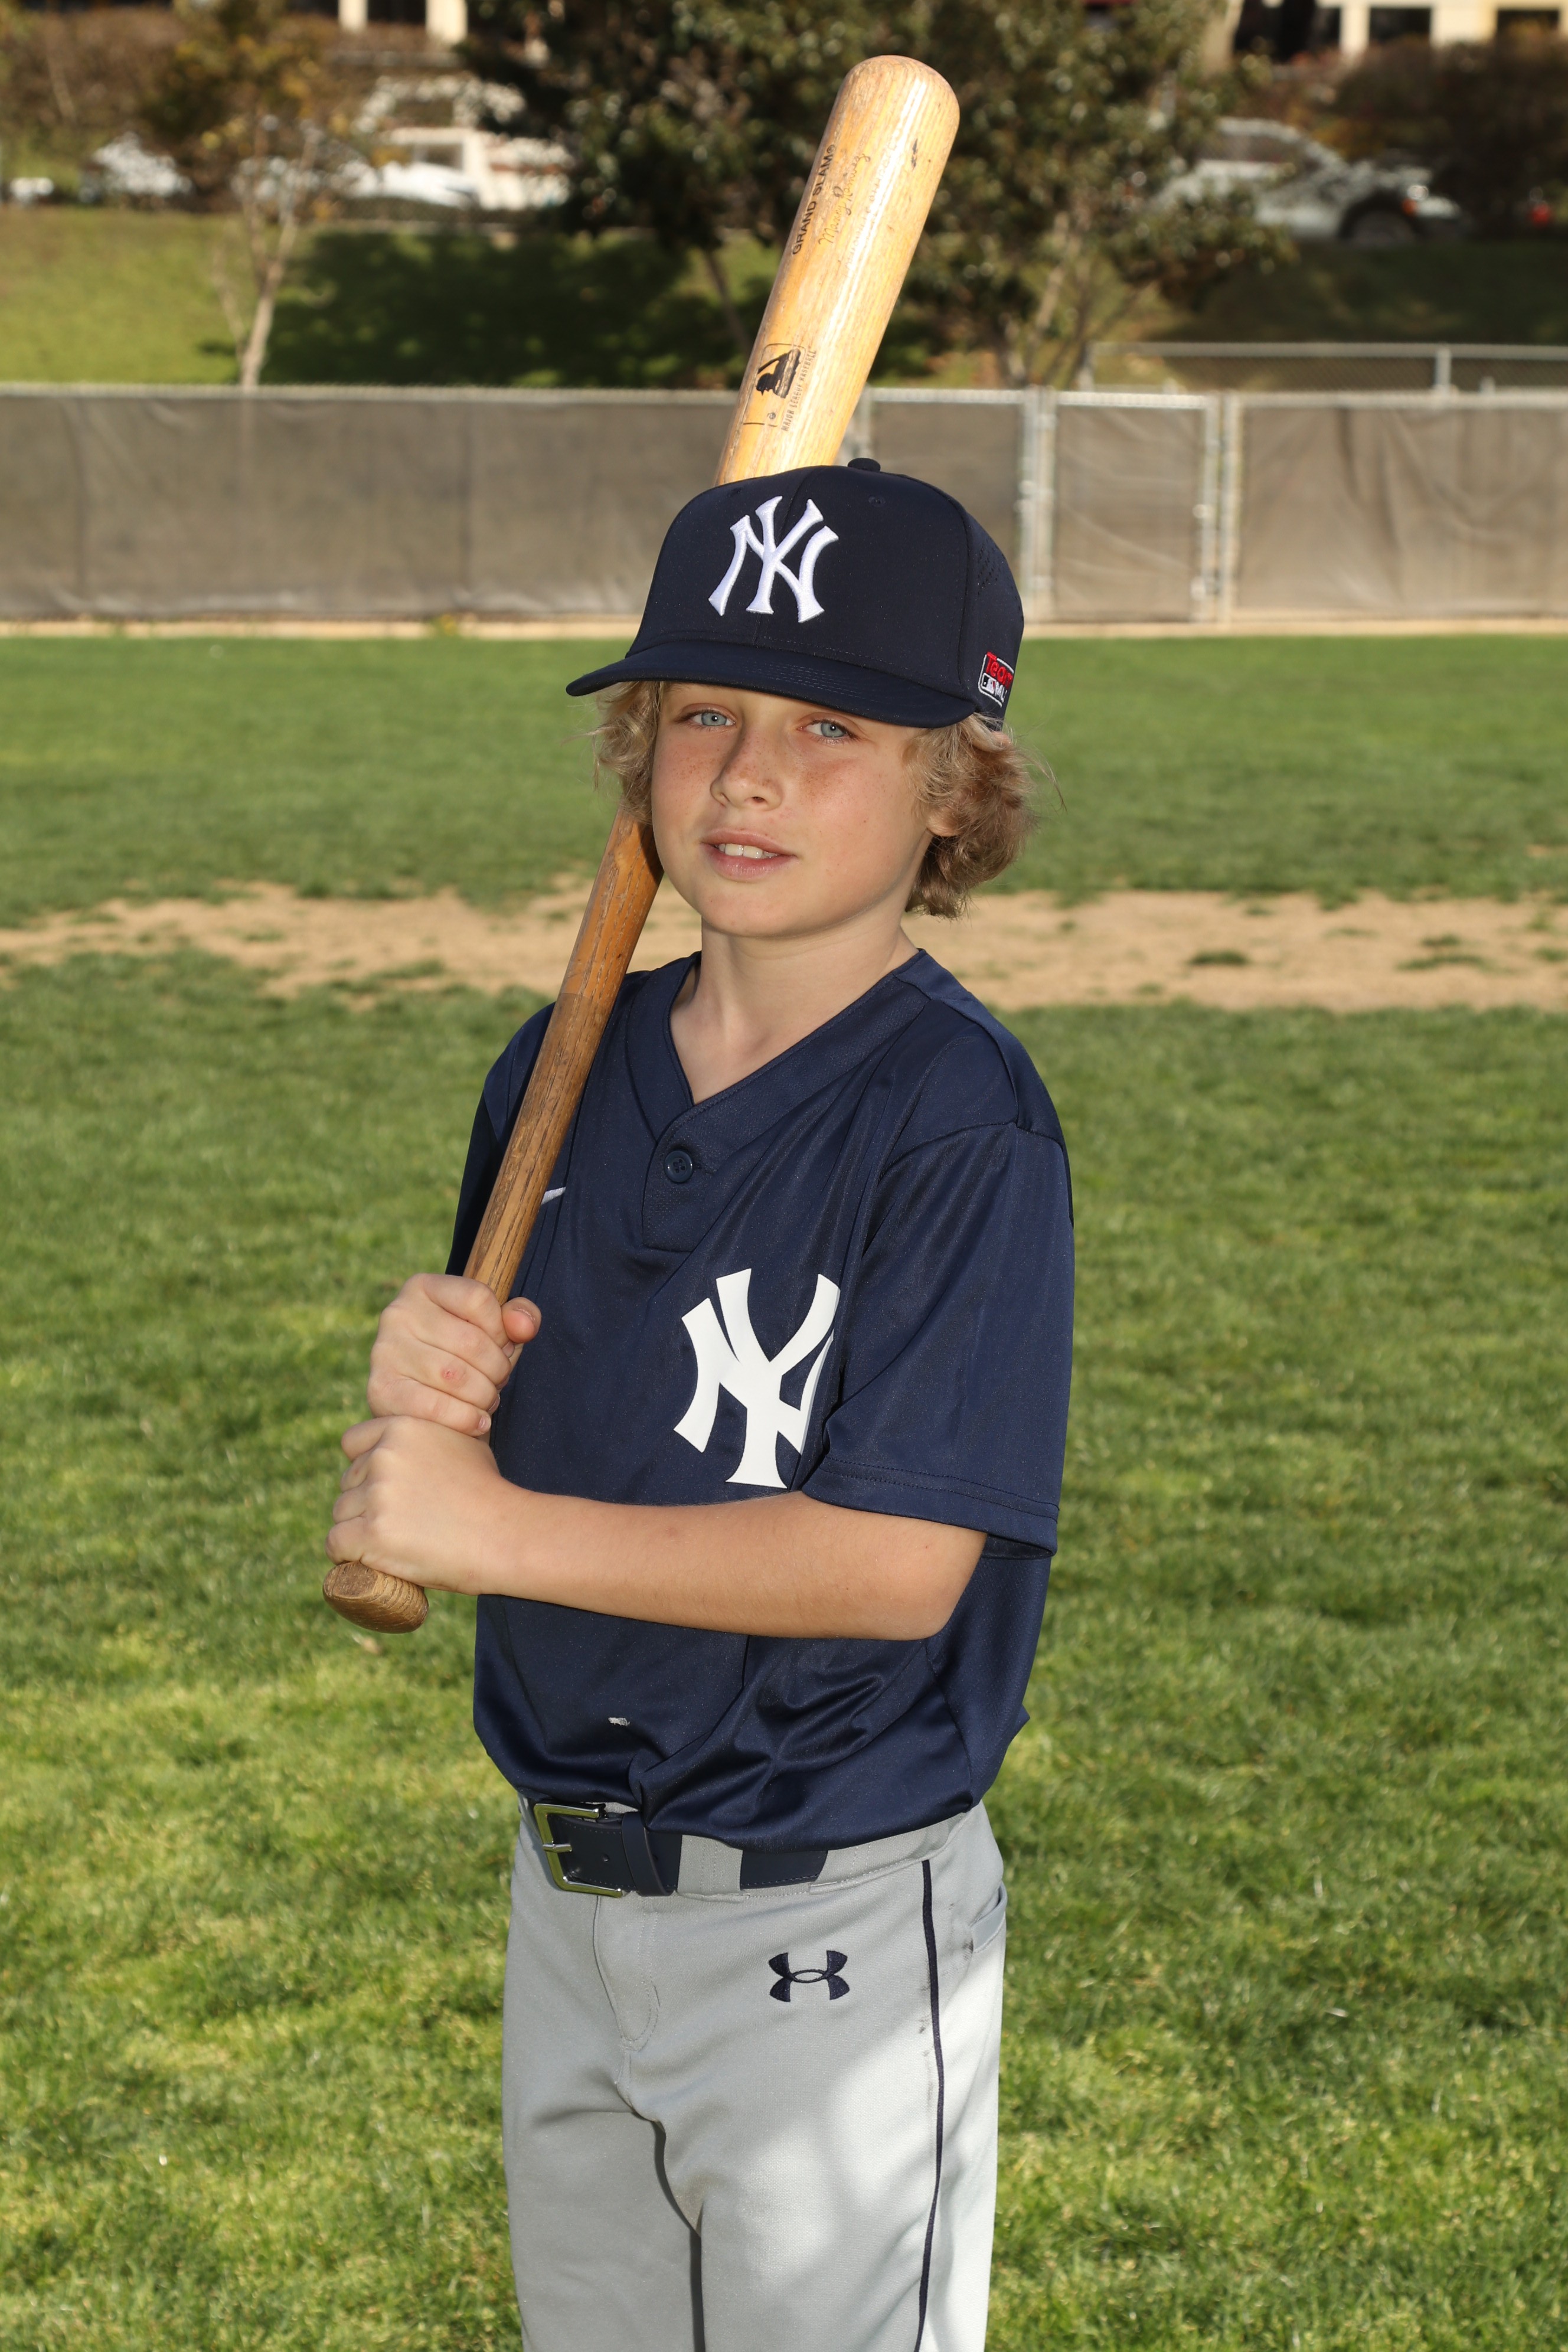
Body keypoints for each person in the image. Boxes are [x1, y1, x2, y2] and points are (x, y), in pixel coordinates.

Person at [326, 459, 1074, 2352]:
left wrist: (490, 1530)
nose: (749, 777)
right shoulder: (559, 1069)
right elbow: (518, 1407)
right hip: (571, 1893)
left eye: (832, 729)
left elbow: (900, 1564)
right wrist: (434, 1383)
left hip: (829, 1915)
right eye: (702, 715)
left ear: (954, 787)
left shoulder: (957, 1119)